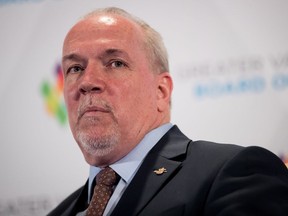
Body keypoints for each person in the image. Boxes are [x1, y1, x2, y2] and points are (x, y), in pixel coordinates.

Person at [48, 7, 288, 216]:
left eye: (116, 63)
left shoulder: (235, 174)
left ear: (161, 91)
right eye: (75, 68)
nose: (87, 81)